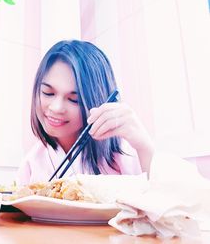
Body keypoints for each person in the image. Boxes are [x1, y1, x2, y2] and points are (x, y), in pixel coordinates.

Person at [17, 40, 154, 185]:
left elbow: (159, 200)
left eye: (74, 100)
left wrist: (144, 147)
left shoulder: (124, 153)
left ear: (97, 100)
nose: (56, 107)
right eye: (48, 93)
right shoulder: (31, 163)